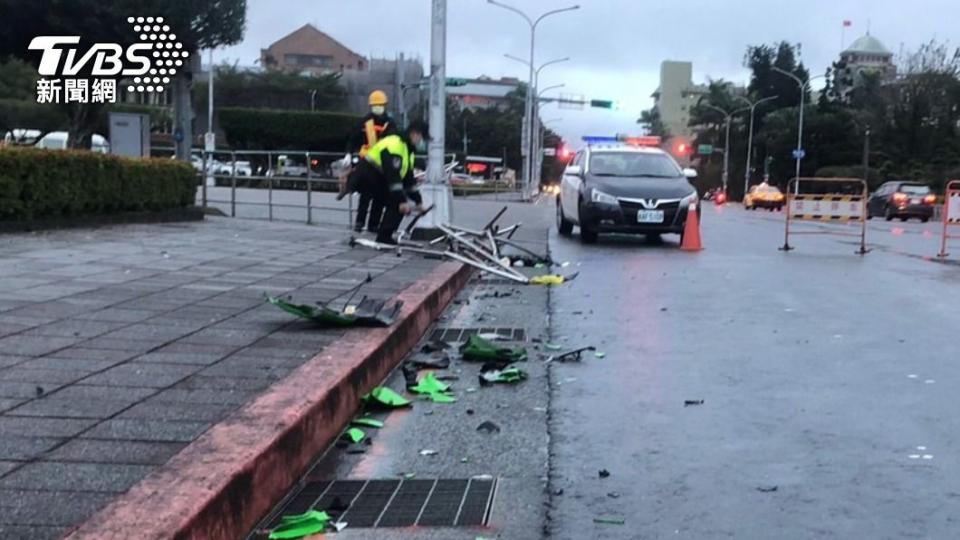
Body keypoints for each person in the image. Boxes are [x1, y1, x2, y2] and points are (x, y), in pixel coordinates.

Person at [348, 121, 429, 244]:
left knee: (398, 202)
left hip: (377, 178)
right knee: (397, 203)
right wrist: (402, 201)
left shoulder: (407, 150)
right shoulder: (395, 144)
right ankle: (383, 236)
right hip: (367, 176)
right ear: (415, 134)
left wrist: (418, 202)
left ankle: (384, 234)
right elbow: (393, 175)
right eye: (422, 138)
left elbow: (408, 179)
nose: (421, 142)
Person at [346, 90, 397, 233]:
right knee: (365, 195)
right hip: (366, 163)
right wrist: (348, 154)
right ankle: (360, 222)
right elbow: (353, 138)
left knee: (380, 196)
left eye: (380, 105)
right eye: (375, 105)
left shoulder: (390, 123)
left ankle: (373, 225)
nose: (377, 108)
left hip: (382, 165)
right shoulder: (365, 122)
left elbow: (393, 142)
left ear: (385, 106)